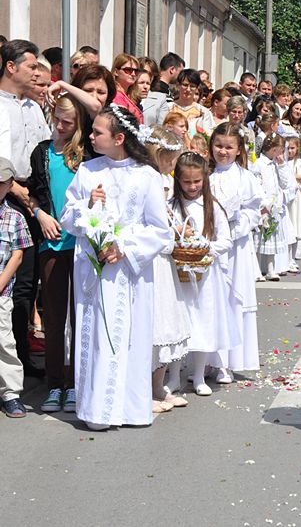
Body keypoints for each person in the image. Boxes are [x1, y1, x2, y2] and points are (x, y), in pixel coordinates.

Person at [60, 104, 172, 430]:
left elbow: (159, 229)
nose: (90, 136)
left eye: (97, 132)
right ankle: (96, 409)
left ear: (119, 138)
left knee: (128, 337)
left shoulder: (147, 176)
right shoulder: (87, 171)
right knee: (96, 336)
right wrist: (89, 205)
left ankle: (130, 409)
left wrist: (124, 247)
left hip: (128, 272)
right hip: (94, 270)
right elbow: (68, 217)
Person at [29, 96, 91, 413]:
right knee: (54, 319)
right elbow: (34, 193)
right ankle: (55, 385)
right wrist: (40, 214)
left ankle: (77, 383)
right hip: (51, 243)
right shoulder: (42, 151)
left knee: (80, 318)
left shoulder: (88, 154)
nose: (61, 126)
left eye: (67, 122)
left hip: (81, 246)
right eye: (57, 120)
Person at [0, 39, 50, 379]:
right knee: (12, 284)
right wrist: (16, 190)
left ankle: (20, 354)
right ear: (11, 66)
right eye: (31, 65)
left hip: (32, 198)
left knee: (28, 285)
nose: (37, 72)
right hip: (7, 194)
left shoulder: (32, 107)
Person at [170, 151, 238, 396]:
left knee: (203, 323)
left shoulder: (212, 206)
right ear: (178, 180)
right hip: (179, 276)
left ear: (205, 180)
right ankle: (174, 375)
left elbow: (226, 241)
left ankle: (198, 375)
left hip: (206, 276)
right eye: (186, 182)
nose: (192, 186)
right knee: (180, 324)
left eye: (196, 181)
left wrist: (204, 246)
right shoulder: (172, 206)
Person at [208, 123, 262, 382]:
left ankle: (229, 362)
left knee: (233, 299)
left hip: (237, 247)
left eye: (229, 147)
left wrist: (238, 227)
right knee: (211, 300)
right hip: (211, 245)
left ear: (239, 149)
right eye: (218, 145)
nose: (223, 151)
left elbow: (254, 208)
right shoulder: (205, 174)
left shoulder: (246, 178)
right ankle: (208, 360)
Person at [144, 127, 191, 413]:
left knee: (166, 323)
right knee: (155, 324)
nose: (172, 166)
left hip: (164, 259)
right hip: (151, 260)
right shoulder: (148, 179)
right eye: (169, 159)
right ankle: (146, 389)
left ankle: (158, 386)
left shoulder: (161, 179)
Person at [0, 157, 32, 418]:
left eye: (1, 184)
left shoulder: (15, 217)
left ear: (10, 184)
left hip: (1, 291)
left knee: (4, 342)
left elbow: (18, 255)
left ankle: (10, 393)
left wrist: (0, 283)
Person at [254, 134, 296, 281]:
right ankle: (257, 270)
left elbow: (285, 184)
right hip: (264, 206)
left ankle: (271, 269)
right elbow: (257, 185)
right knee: (259, 238)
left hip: (275, 207)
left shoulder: (276, 165)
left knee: (270, 237)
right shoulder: (259, 164)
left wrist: (283, 165)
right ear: (274, 149)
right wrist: (264, 203)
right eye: (280, 150)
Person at [285, 136, 301, 272]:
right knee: (287, 227)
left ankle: (293, 257)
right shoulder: (283, 162)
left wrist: (300, 179)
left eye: (292, 148)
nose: (290, 151)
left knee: (296, 227)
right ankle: (286, 258)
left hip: (297, 198)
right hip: (286, 199)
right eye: (287, 148)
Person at [170, 69, 215, 137]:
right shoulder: (168, 108)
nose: (188, 89)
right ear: (178, 85)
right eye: (185, 85)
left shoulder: (204, 112)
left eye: (192, 86)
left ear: (197, 88)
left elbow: (208, 136)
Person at [110, 54, 144, 124]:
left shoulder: (130, 95)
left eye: (136, 71)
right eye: (128, 70)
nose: (133, 74)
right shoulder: (116, 95)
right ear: (116, 72)